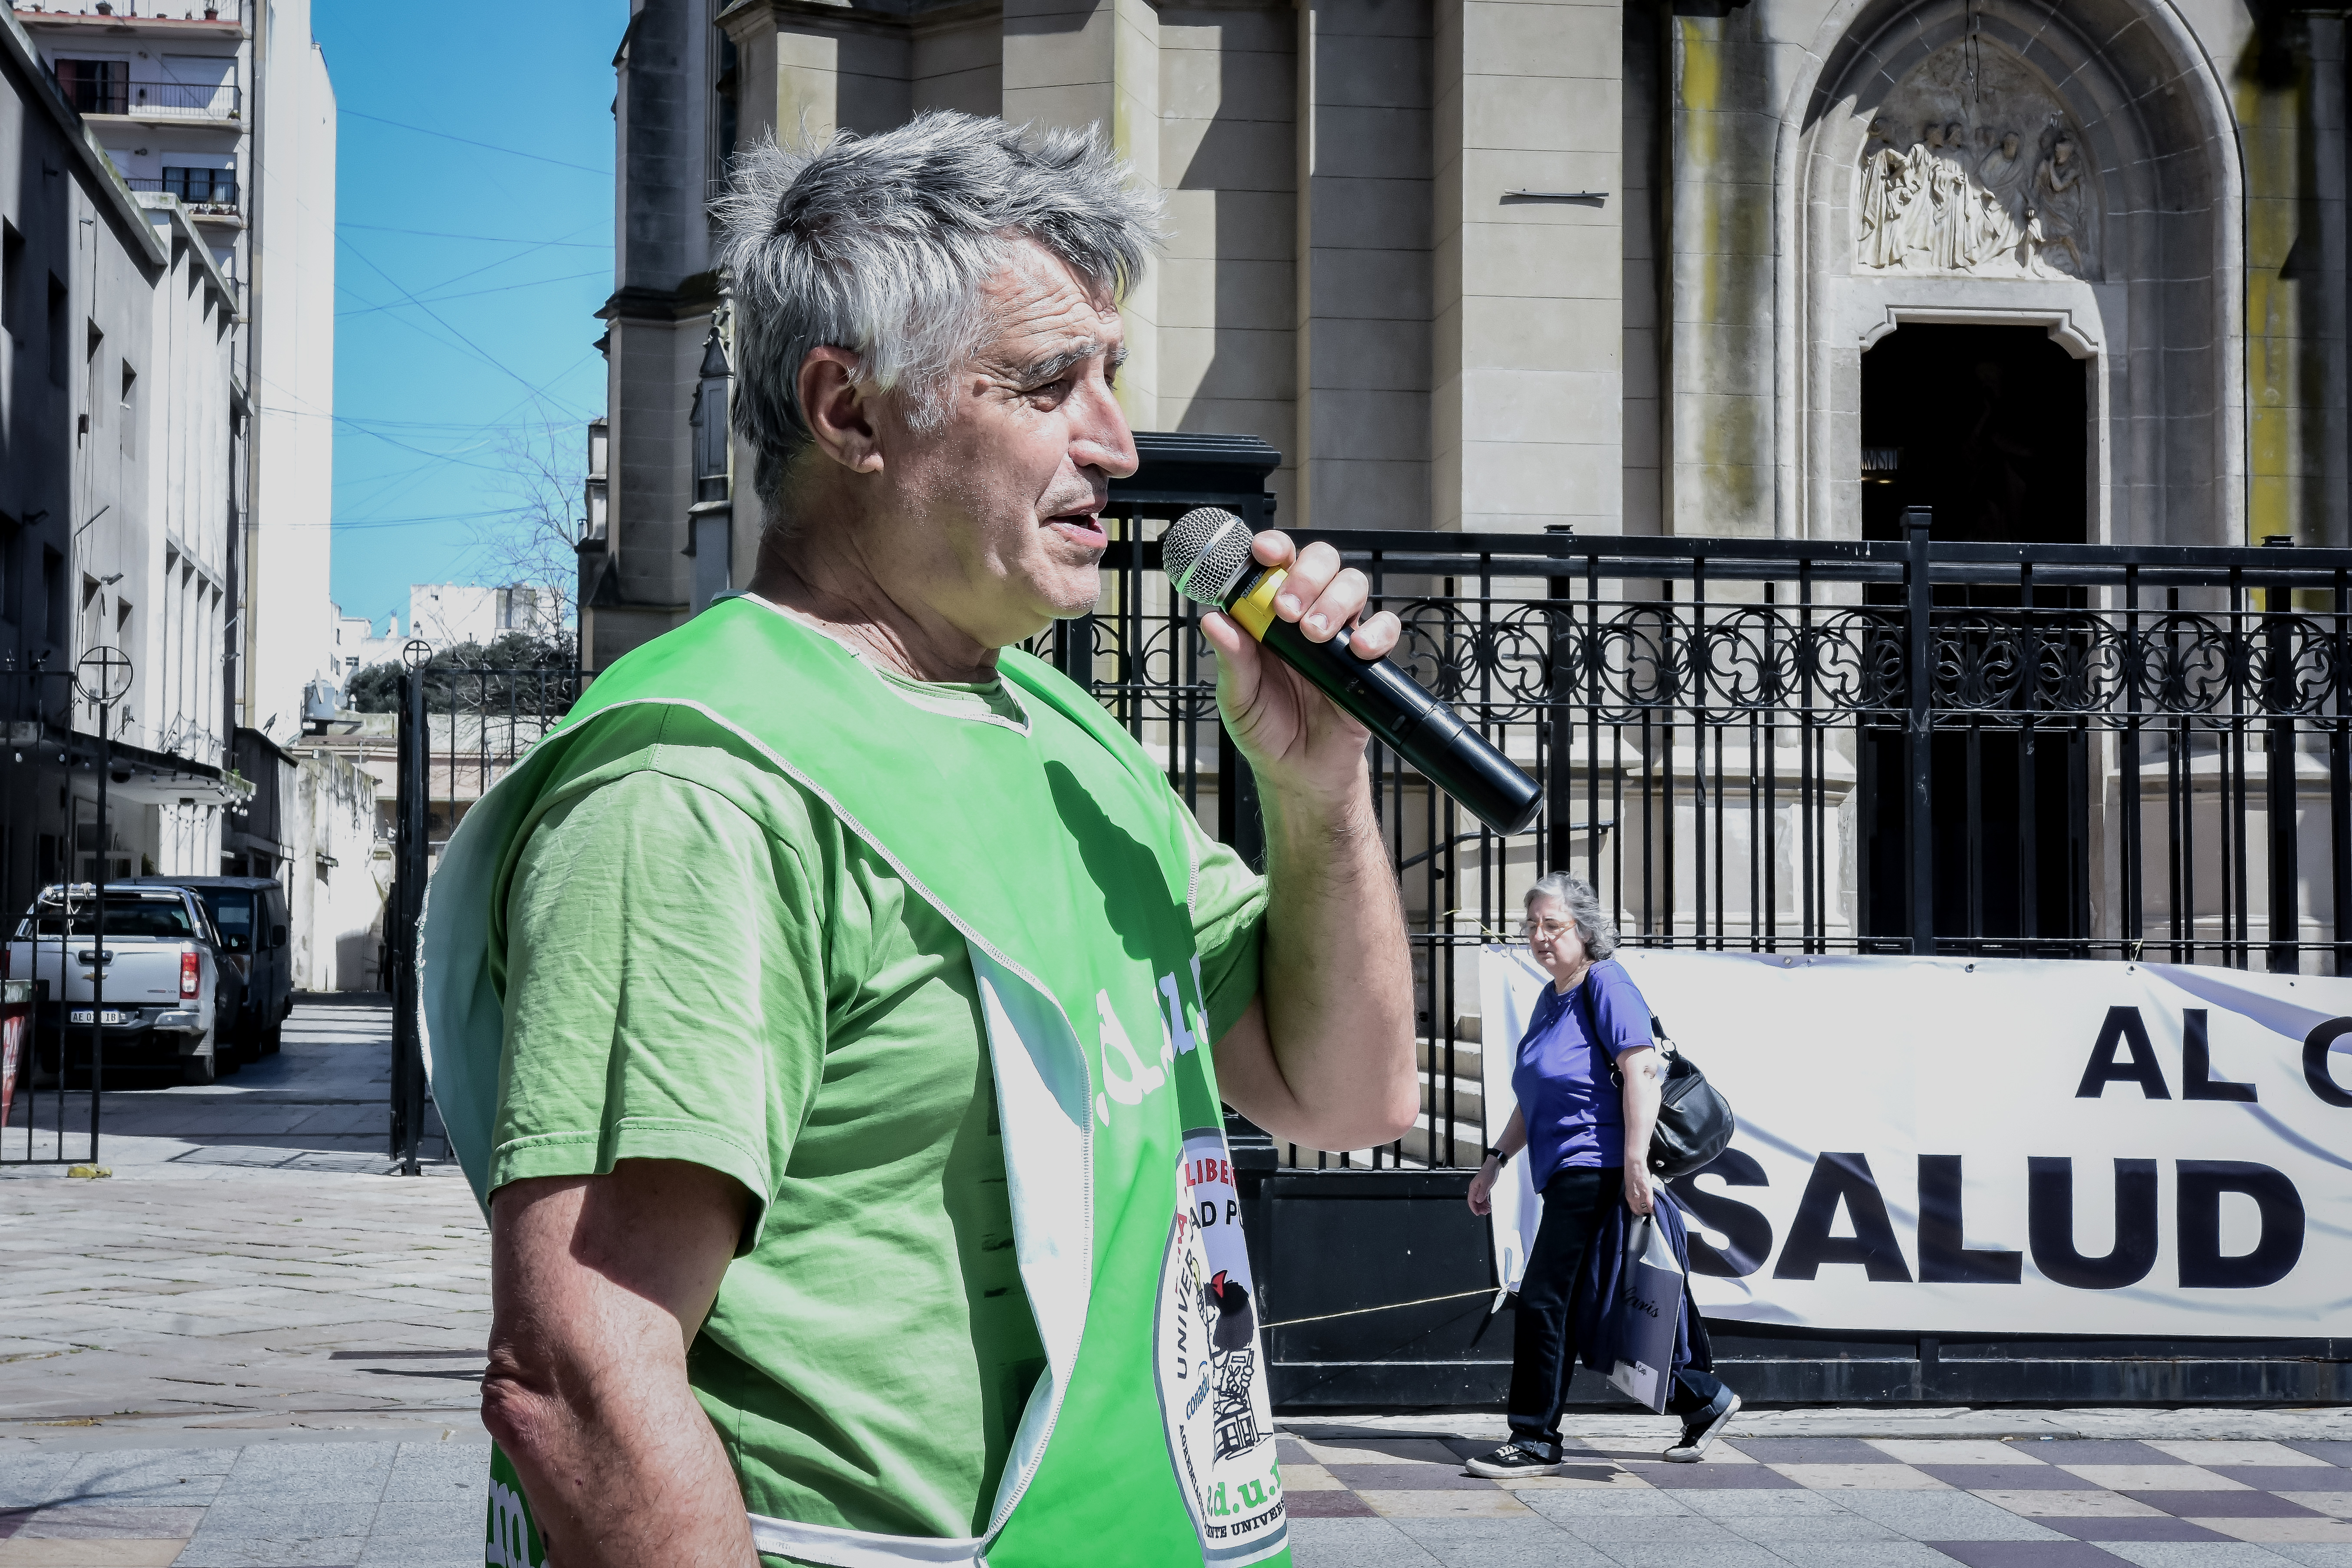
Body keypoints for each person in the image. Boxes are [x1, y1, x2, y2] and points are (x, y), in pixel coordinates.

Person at [419, 111, 1418, 1568]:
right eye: (1047, 383)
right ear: (851, 414)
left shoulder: (1067, 739)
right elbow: (578, 1370)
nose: (1117, 445)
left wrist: (1319, 793)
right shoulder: (701, 786)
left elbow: (1347, 1094)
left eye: (1112, 378)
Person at [1463, 874, 1739, 1474]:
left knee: (1544, 1300)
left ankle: (1535, 1437)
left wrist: (1637, 1162)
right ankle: (1704, 1398)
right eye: (1531, 925)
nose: (1539, 936)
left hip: (1599, 1165)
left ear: (1585, 929)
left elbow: (1640, 1069)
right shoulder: (1550, 997)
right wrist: (1494, 1160)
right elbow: (1533, 1097)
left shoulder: (1606, 983)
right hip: (1565, 1168)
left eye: (1552, 925)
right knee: (1591, 1305)